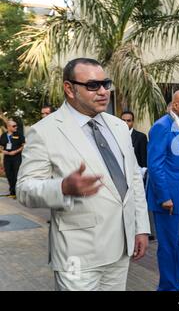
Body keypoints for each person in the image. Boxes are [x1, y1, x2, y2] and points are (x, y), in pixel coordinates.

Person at [16, 58, 150, 291]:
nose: (103, 92)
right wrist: (62, 188)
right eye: (92, 86)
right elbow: (24, 190)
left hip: (121, 248)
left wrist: (140, 228)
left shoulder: (118, 126)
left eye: (105, 84)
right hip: (77, 254)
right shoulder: (45, 131)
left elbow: (134, 180)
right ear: (69, 88)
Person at [146, 90, 179, 291]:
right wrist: (164, 196)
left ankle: (177, 283)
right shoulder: (162, 127)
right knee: (168, 247)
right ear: (175, 105)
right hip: (168, 200)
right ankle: (168, 287)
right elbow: (155, 165)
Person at [120, 111, 155, 241]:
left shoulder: (140, 137)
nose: (126, 123)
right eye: (123, 120)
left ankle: (142, 230)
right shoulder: (116, 135)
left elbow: (143, 158)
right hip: (121, 177)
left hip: (138, 176)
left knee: (139, 204)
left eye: (128, 120)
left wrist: (142, 174)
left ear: (132, 122)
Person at [0, 120, 25, 197]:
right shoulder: (4, 135)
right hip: (7, 158)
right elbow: (0, 146)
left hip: (16, 157)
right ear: (8, 127)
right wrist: (3, 151)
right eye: (14, 126)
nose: (16, 127)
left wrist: (16, 151)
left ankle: (17, 192)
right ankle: (12, 191)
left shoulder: (19, 135)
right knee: (9, 174)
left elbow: (24, 145)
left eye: (16, 125)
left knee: (16, 174)